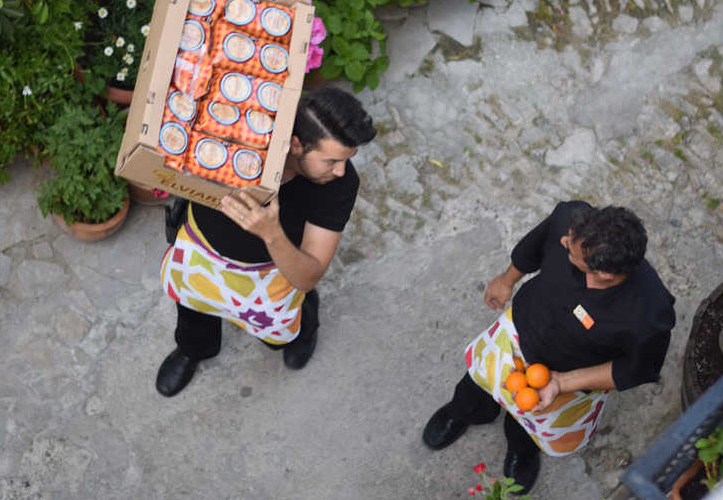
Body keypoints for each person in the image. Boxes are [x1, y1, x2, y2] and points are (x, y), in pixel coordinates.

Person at [422, 201, 676, 493]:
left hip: (570, 372)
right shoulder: (570, 223)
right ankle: (464, 410)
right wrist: (506, 281)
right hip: (522, 329)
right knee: (478, 381)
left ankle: (522, 447)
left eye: (571, 250)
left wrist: (563, 382)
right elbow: (533, 248)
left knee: (533, 413)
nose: (563, 242)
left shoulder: (648, 314)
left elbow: (636, 369)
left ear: (604, 273)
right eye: (569, 238)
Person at [156, 87, 377, 397]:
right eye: (330, 161)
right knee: (193, 308)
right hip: (201, 250)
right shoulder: (240, 135)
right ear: (297, 144)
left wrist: (272, 235)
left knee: (288, 323)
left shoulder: (340, 184)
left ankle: (303, 334)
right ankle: (193, 349)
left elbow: (307, 275)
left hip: (273, 273)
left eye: (346, 160)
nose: (341, 171)